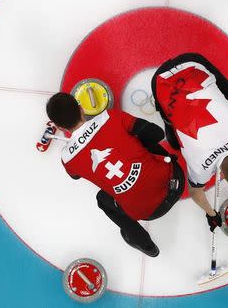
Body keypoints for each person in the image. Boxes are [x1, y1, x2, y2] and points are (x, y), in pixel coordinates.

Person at [46, 92, 185, 257]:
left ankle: (145, 245)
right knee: (142, 141)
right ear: (81, 109)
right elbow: (157, 134)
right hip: (176, 182)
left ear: (60, 128)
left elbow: (75, 176)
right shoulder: (109, 117)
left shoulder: (67, 158)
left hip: (147, 212)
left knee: (102, 200)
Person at [151, 53, 228, 232]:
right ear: (222, 175)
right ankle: (168, 121)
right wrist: (211, 213)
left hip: (192, 62)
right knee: (174, 134)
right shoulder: (200, 168)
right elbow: (194, 192)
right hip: (160, 82)